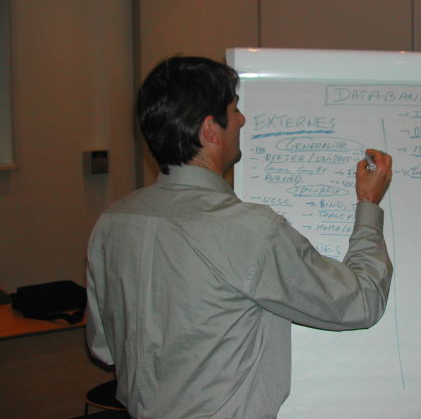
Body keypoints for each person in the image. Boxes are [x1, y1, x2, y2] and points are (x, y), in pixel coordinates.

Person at [86, 56, 393, 419]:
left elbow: (104, 348)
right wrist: (369, 203)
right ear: (211, 130)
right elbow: (361, 301)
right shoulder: (249, 230)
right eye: (234, 110)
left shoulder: (113, 221)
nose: (243, 120)